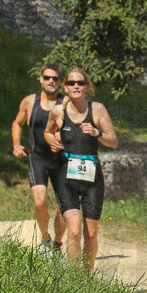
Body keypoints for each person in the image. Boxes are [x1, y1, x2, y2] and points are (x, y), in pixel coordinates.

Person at [44, 68, 118, 270]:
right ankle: (74, 282)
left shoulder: (98, 110)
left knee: (91, 235)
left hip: (92, 176)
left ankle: (86, 280)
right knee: (74, 231)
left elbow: (113, 141)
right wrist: (53, 142)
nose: (75, 86)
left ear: (87, 87)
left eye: (80, 83)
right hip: (65, 176)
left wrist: (97, 133)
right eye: (71, 83)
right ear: (65, 87)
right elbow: (48, 132)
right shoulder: (58, 112)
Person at [11, 63, 66, 254]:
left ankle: (57, 245)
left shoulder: (66, 103)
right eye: (47, 77)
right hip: (38, 158)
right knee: (40, 202)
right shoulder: (29, 102)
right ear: (40, 79)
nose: (51, 81)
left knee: (63, 208)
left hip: (62, 161)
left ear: (60, 81)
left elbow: (75, 127)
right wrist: (17, 144)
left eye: (55, 78)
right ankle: (45, 239)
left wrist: (63, 136)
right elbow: (17, 123)